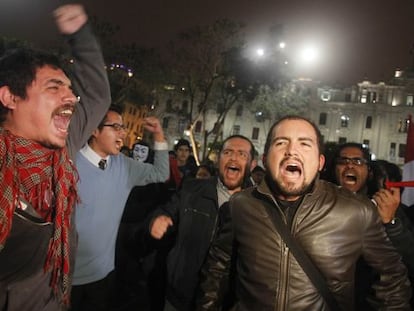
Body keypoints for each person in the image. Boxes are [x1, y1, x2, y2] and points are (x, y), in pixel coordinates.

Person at [196, 116, 411, 310]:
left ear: (320, 162)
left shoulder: (357, 211)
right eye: (281, 143)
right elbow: (217, 270)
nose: (292, 151)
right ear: (264, 158)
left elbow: (392, 280)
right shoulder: (240, 205)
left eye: (305, 144)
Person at [0, 4, 111, 310]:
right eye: (54, 87)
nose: (70, 97)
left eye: (70, 88)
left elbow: (98, 96)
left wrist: (81, 35)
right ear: (10, 97)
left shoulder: (63, 146)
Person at [70, 105, 169, 311]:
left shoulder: (125, 166)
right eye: (115, 127)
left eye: (123, 127)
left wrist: (159, 134)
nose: (122, 133)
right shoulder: (70, 161)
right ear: (95, 131)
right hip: (64, 276)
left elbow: (161, 173)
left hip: (103, 277)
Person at [147, 135, 256, 311]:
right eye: (227, 152)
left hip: (227, 304)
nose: (233, 158)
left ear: (252, 165)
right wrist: (157, 220)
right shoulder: (192, 189)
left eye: (242, 154)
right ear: (218, 160)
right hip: (179, 297)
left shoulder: (259, 207)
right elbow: (167, 211)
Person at [333, 144, 414, 308]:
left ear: (369, 172)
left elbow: (410, 260)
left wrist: (390, 223)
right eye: (344, 160)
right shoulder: (316, 206)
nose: (350, 165)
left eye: (358, 161)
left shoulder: (387, 208)